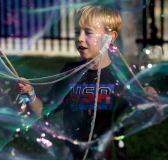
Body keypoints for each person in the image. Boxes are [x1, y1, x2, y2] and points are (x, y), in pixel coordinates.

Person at [15, 4, 158, 160]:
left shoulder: (122, 77)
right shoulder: (70, 73)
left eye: (88, 32)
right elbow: (45, 110)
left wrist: (150, 100)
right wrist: (31, 94)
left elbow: (145, 115)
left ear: (110, 37)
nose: (80, 38)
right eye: (77, 32)